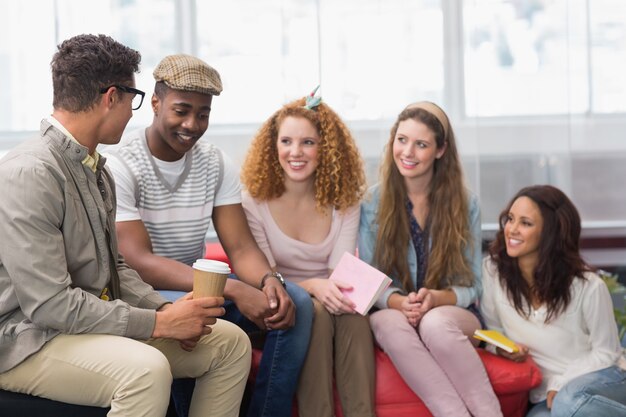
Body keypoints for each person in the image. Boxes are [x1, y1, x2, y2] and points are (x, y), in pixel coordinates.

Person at [0, 34, 251, 417]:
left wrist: (163, 310)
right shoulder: (29, 172)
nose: (134, 113)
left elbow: (116, 268)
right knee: (145, 372)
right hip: (27, 339)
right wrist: (158, 323)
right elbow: (50, 305)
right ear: (111, 97)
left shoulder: (97, 168)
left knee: (229, 343)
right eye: (134, 99)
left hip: (82, 325)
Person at [105, 54, 313, 417]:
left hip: (197, 285)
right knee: (200, 309)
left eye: (203, 114)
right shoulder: (121, 163)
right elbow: (139, 262)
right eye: (181, 111)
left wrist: (268, 280)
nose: (192, 124)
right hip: (146, 293)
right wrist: (233, 289)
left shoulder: (214, 162)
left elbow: (241, 246)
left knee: (295, 301)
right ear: (155, 103)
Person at [358, 101, 503, 416]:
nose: (408, 152)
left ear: (440, 150)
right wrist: (397, 302)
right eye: (402, 139)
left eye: (421, 144)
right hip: (394, 311)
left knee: (435, 324)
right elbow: (369, 278)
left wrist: (437, 299)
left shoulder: (466, 203)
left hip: (450, 312)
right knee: (386, 321)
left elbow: (472, 285)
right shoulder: (372, 202)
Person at [240, 88, 376, 417]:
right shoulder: (252, 201)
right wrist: (313, 286)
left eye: (308, 142)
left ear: (324, 148)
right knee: (314, 311)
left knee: (354, 316)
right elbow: (265, 276)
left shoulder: (344, 199)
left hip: (329, 295)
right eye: (286, 141)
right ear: (274, 147)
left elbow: (339, 270)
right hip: (281, 300)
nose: (295, 152)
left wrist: (325, 289)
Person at [482, 185, 626, 417]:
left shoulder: (587, 285)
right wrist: (502, 349)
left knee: (568, 402)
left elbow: (607, 352)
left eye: (526, 223)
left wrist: (561, 382)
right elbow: (493, 332)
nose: (512, 229)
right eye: (510, 219)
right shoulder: (492, 271)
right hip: (543, 397)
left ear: (550, 232)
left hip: (603, 379)